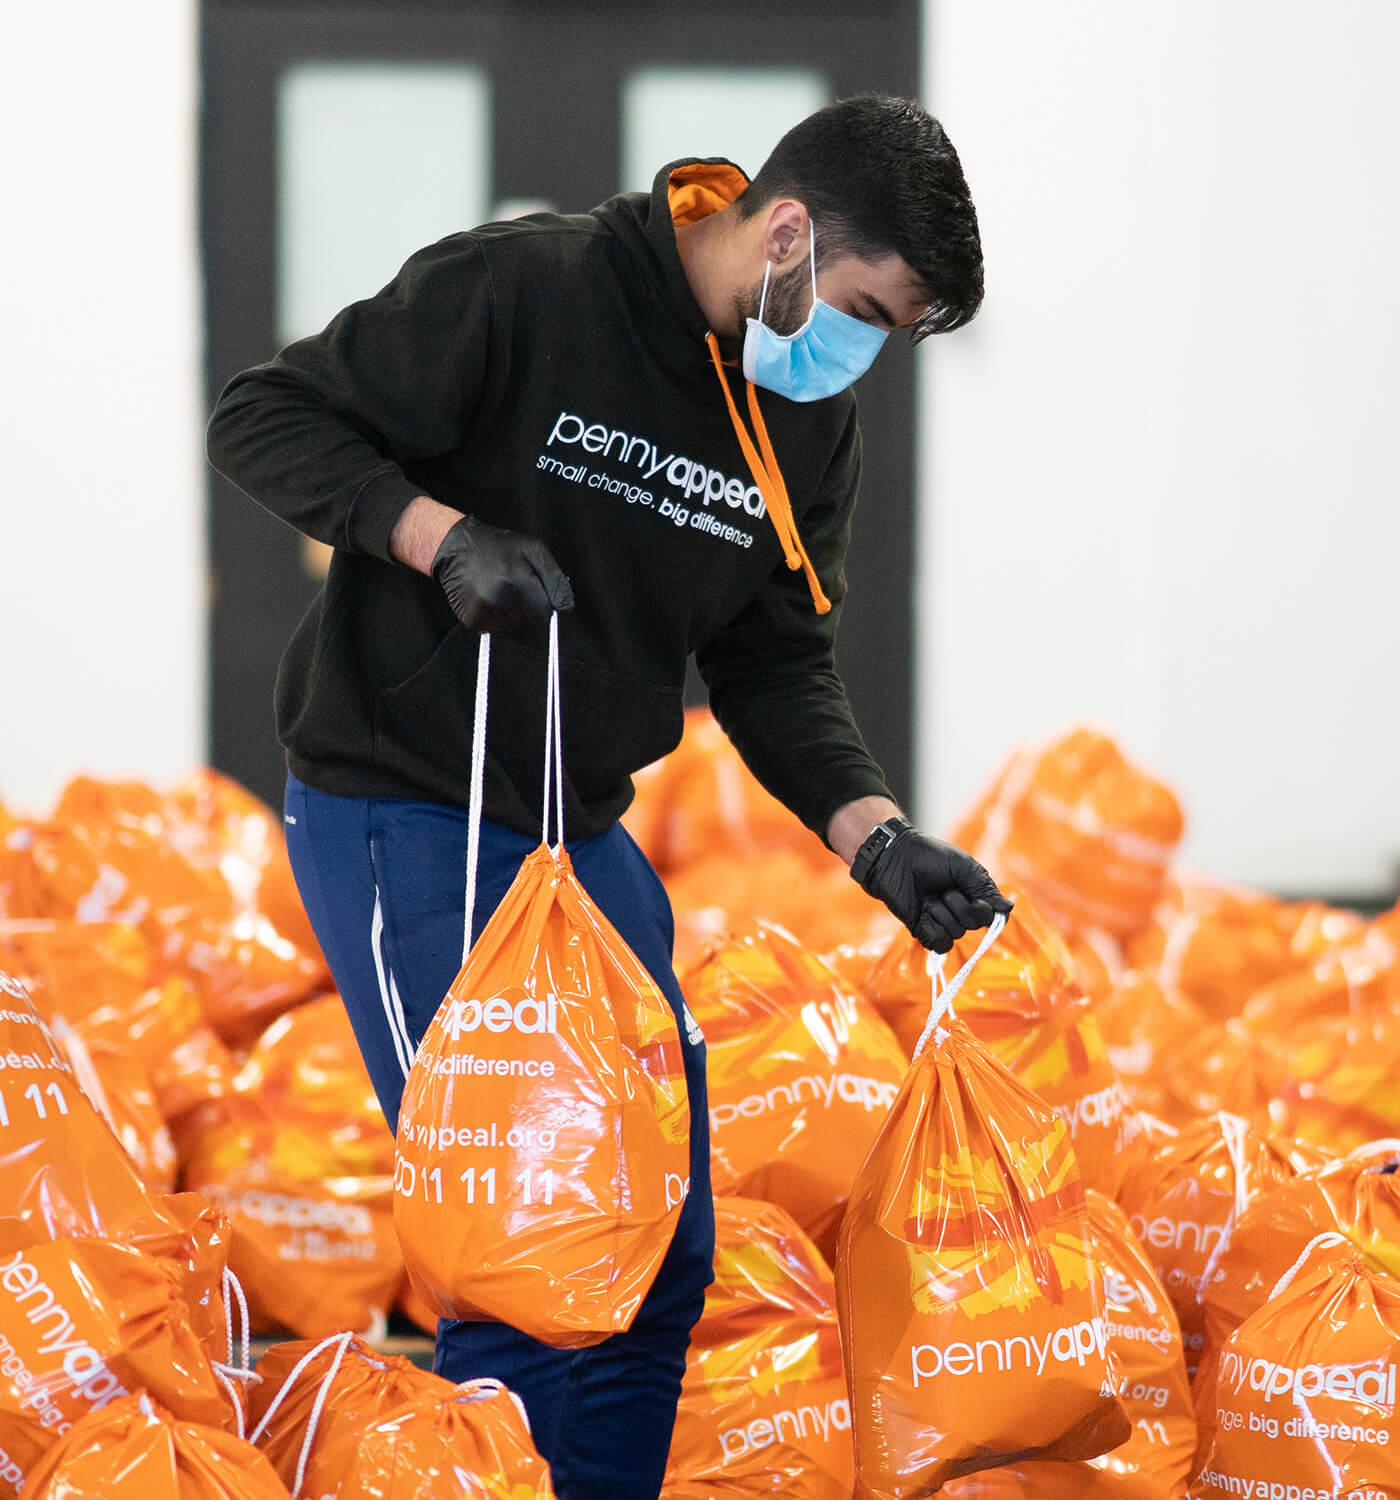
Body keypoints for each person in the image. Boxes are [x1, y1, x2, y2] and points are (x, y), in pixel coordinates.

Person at [206, 92, 1011, 1500]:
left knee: (661, 1245)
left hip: (577, 832)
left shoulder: (801, 422)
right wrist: (435, 537)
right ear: (787, 232)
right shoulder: (529, 291)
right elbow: (263, 414)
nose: (861, 354)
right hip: (410, 815)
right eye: (867, 310)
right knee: (529, 1242)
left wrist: (875, 841)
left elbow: (772, 660)